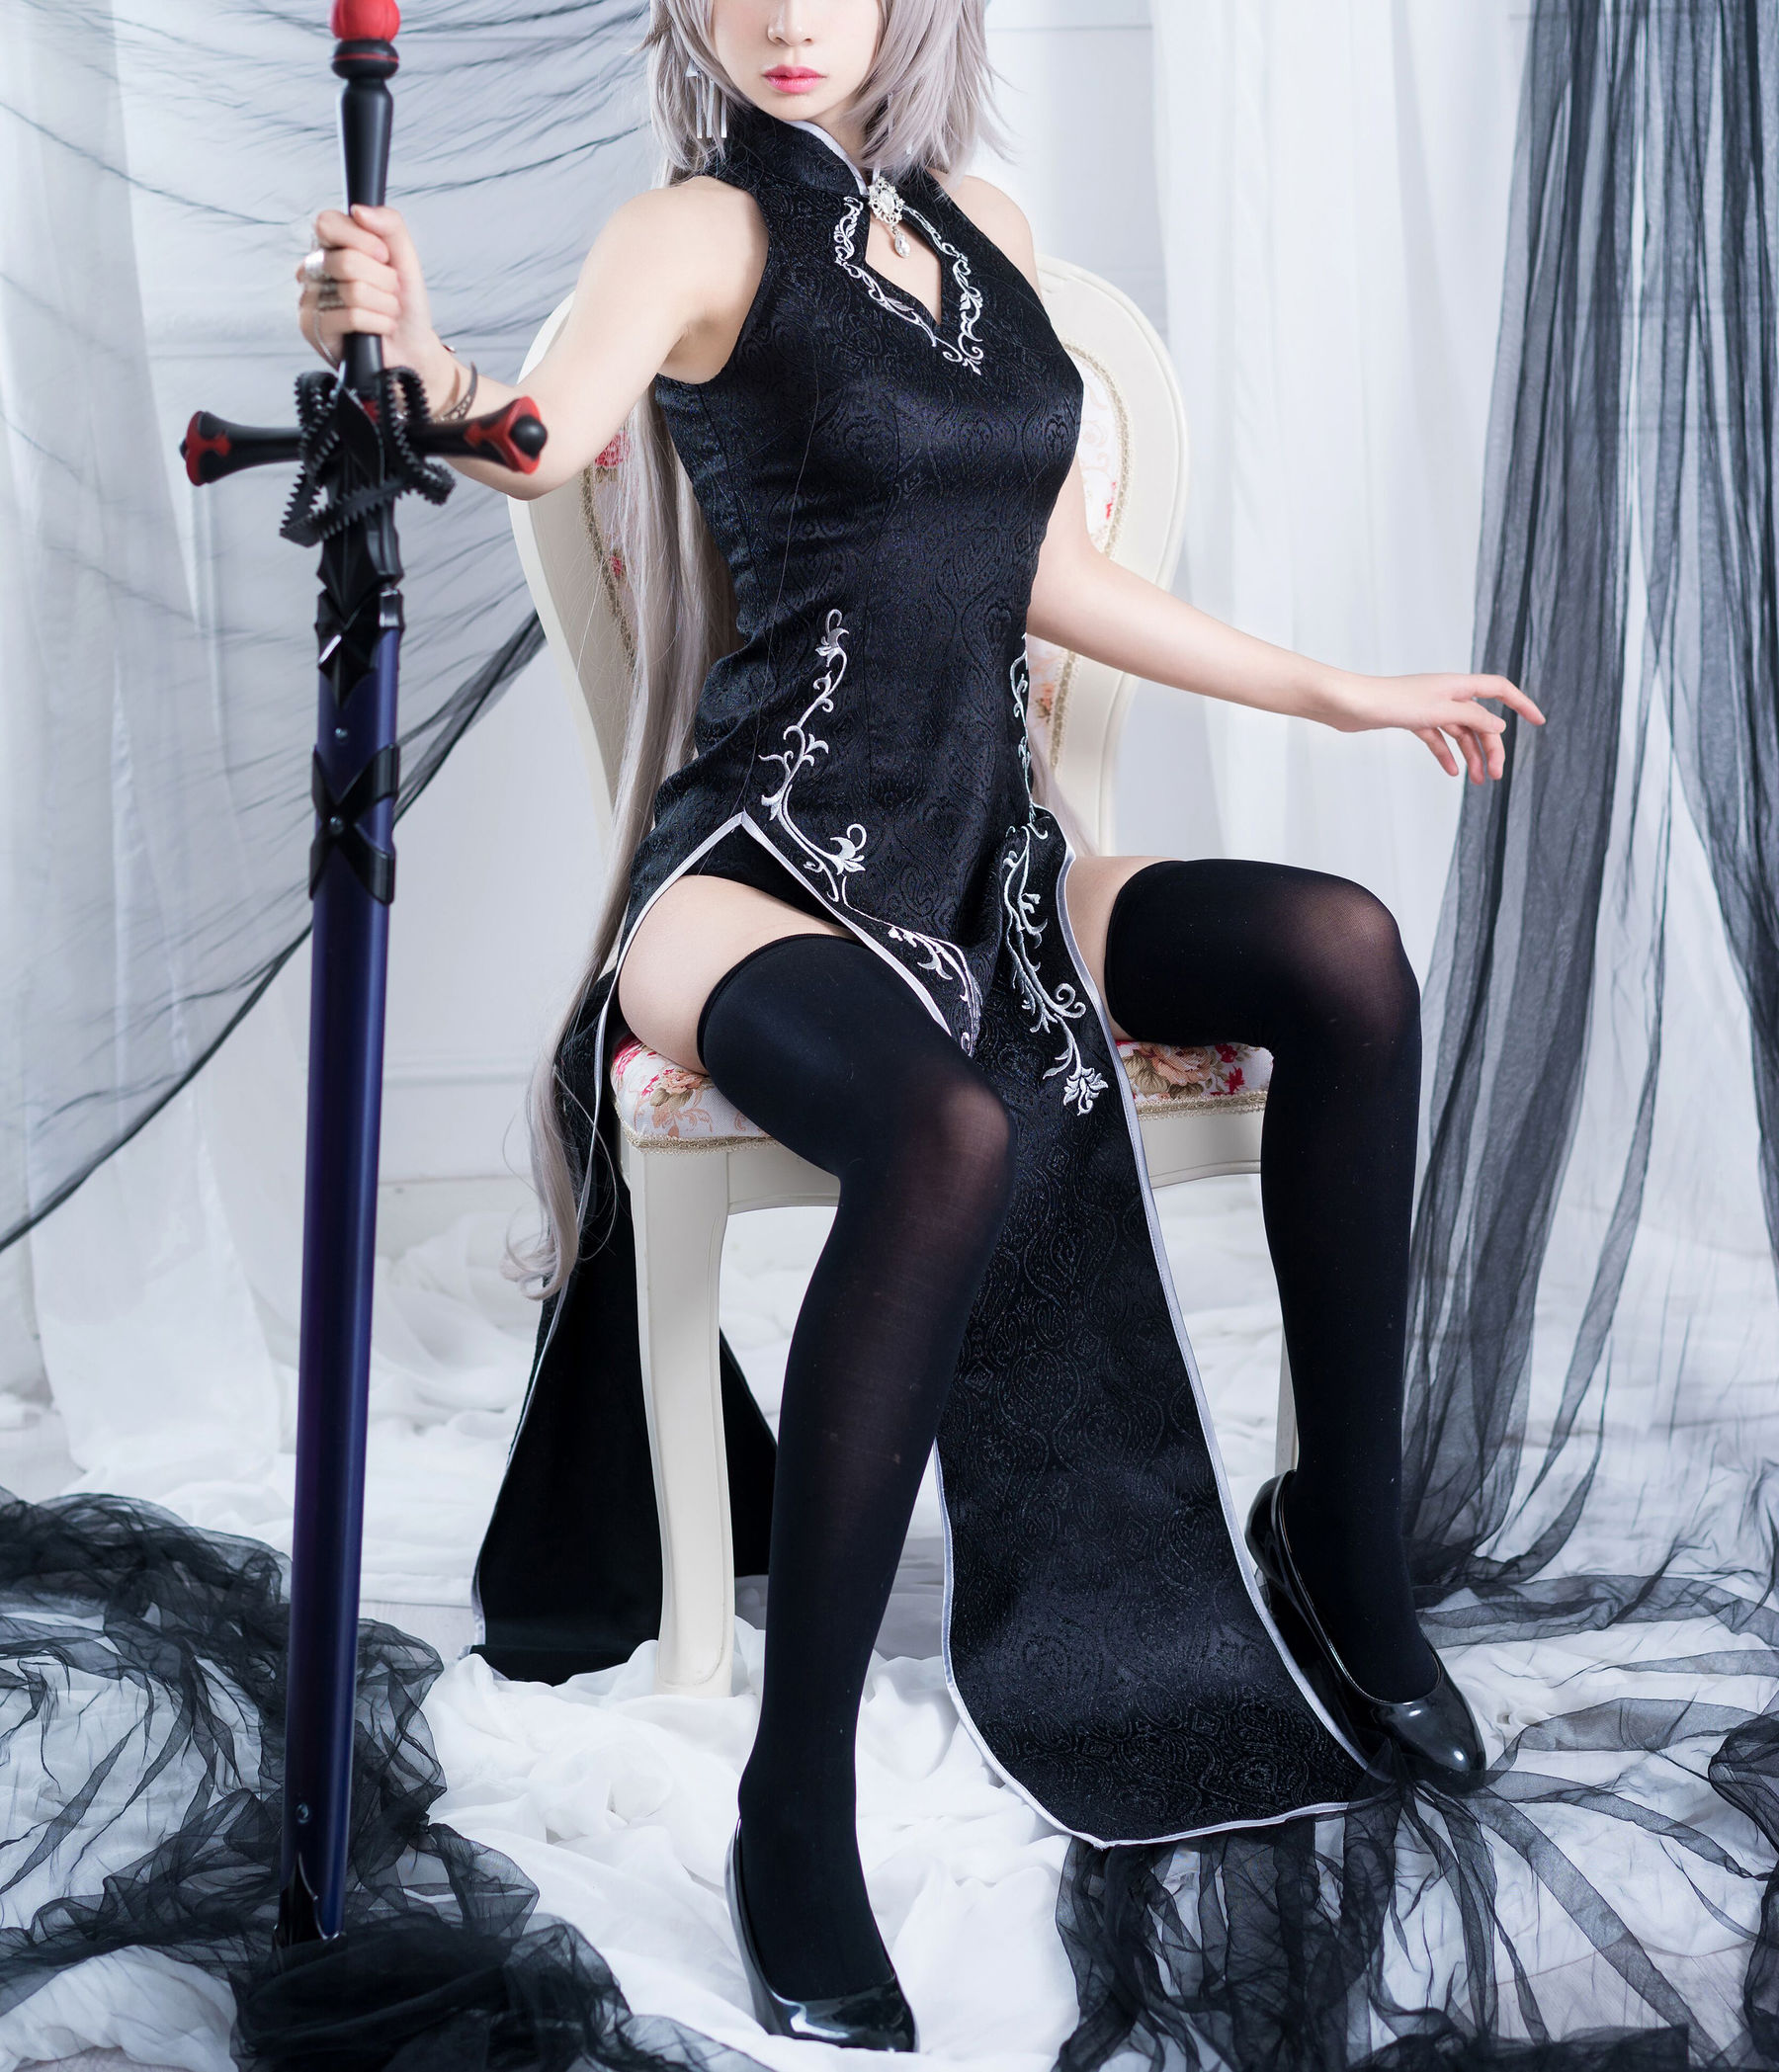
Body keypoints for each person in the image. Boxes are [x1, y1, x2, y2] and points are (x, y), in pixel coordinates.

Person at [298, 0, 1544, 2049]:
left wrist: (1343, 691)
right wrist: (420, 360)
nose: (792, 17)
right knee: (949, 1129)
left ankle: (1343, 1549)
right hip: (759, 868)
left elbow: (1053, 568)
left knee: (1345, 954)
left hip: (986, 854)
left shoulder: (986, 233)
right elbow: (536, 437)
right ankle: (792, 1811)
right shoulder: (693, 232)